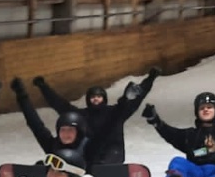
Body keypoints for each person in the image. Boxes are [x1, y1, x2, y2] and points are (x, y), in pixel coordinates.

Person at [30, 68, 160, 165]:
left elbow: (136, 98)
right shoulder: (82, 115)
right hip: (90, 156)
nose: (96, 99)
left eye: (99, 96)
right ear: (88, 99)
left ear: (104, 98)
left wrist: (151, 78)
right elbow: (60, 104)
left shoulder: (115, 112)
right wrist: (43, 87)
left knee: (105, 156)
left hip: (113, 153)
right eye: (93, 97)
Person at [10, 78, 100, 177]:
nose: (66, 134)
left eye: (70, 130)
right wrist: (22, 96)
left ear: (79, 132)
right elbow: (35, 124)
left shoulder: (89, 146)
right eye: (63, 130)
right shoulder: (52, 144)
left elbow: (112, 124)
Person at [142, 91, 215, 177]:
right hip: (195, 172)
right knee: (177, 161)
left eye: (209, 107)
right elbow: (169, 133)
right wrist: (154, 119)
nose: (206, 110)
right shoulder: (189, 135)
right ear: (197, 112)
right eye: (202, 108)